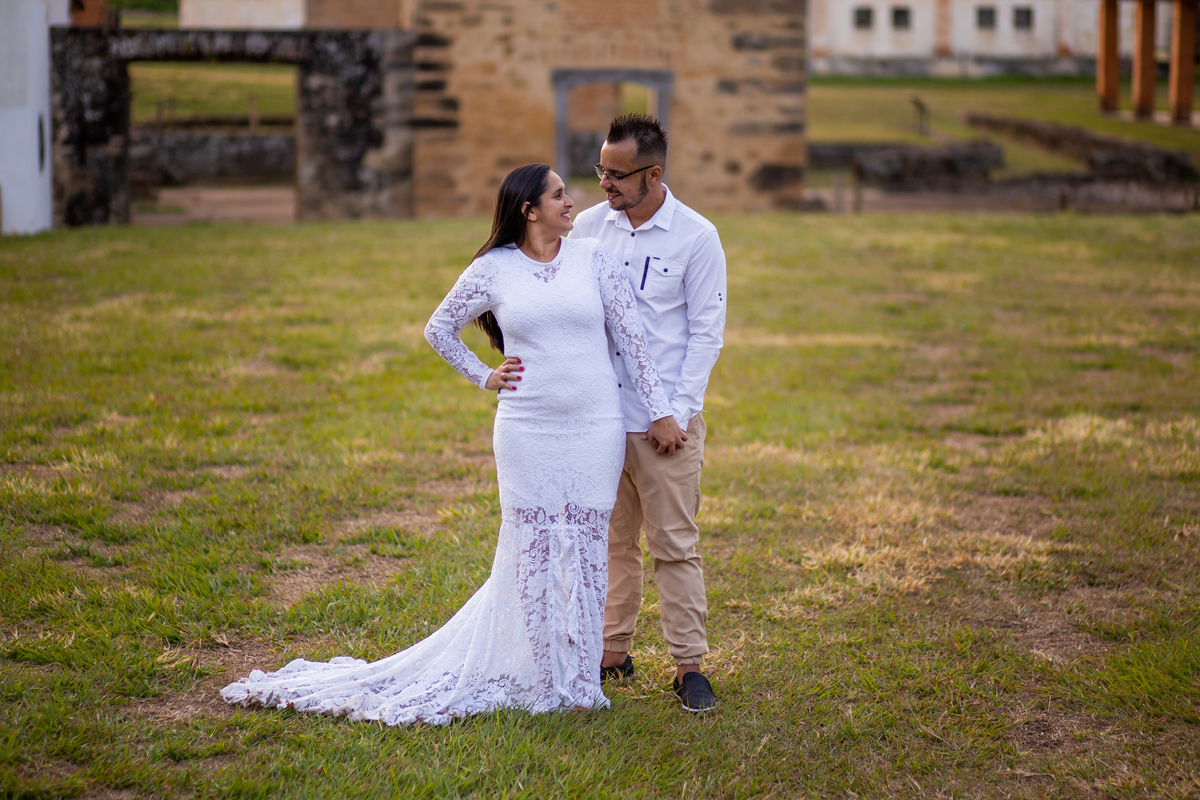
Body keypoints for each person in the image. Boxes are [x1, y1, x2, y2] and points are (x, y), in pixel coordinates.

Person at [220, 164, 681, 725]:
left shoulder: (594, 259)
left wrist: (661, 412)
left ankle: (580, 679)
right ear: (529, 210)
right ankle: (538, 673)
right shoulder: (494, 268)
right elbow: (438, 329)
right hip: (526, 427)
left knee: (585, 547)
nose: (571, 202)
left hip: (594, 428)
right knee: (531, 545)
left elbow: (633, 340)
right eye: (559, 195)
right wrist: (483, 375)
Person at [569, 115, 727, 713]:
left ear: (653, 173)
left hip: (665, 427)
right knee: (612, 541)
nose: (604, 183)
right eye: (600, 169)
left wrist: (677, 414)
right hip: (600, 421)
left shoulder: (696, 236)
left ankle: (689, 666)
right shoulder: (587, 228)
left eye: (616, 173)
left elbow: (706, 335)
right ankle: (613, 652)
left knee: (674, 545)